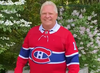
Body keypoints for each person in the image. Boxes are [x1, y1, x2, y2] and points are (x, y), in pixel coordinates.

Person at [14, 1, 80, 73]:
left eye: (50, 13)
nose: (47, 16)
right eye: (44, 13)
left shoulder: (66, 35)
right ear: (40, 16)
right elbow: (22, 57)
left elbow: (73, 63)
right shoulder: (32, 32)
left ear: (56, 15)